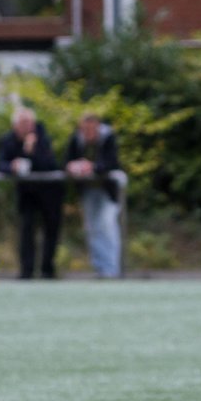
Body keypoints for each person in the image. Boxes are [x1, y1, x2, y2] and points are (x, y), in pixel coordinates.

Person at [0, 107, 64, 279]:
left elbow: (49, 164)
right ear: (15, 125)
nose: (26, 127)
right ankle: (26, 271)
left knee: (51, 231)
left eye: (29, 123)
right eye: (22, 123)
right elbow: (1, 164)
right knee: (27, 231)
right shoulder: (8, 140)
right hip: (27, 195)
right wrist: (12, 166)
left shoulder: (43, 138)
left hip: (49, 193)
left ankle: (47, 270)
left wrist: (31, 151)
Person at [64, 112, 123, 278]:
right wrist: (72, 167)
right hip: (88, 191)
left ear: (97, 127)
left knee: (107, 226)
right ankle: (100, 268)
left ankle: (112, 269)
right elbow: (66, 161)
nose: (88, 133)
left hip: (107, 192)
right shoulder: (77, 139)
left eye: (91, 129)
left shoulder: (108, 137)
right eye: (85, 129)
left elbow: (112, 162)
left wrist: (93, 167)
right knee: (92, 228)